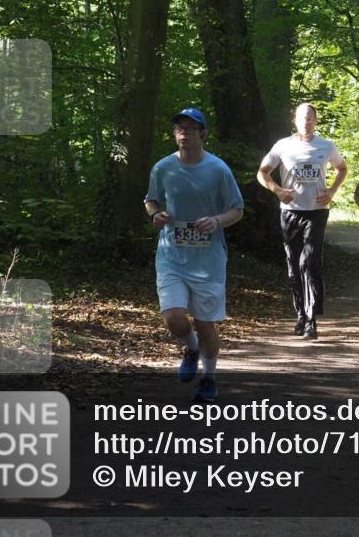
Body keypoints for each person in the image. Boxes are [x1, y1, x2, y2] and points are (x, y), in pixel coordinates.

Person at [144, 107, 244, 403]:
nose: (184, 132)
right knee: (174, 318)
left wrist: (216, 221)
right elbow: (151, 201)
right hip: (171, 254)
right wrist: (156, 214)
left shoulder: (218, 169)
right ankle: (191, 347)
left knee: (204, 323)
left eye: (190, 127)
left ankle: (209, 378)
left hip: (208, 259)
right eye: (179, 127)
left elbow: (237, 210)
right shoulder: (163, 167)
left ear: (203, 134)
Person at [258, 103, 347, 340]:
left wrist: (332, 191)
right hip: (290, 211)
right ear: (294, 120)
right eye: (302, 118)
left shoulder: (326, 146)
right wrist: (277, 190)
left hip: (317, 210)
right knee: (293, 265)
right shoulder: (282, 146)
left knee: (309, 260)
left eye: (310, 119)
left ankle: (311, 319)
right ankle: (300, 314)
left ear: (316, 121)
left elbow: (342, 169)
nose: (306, 122)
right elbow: (262, 172)